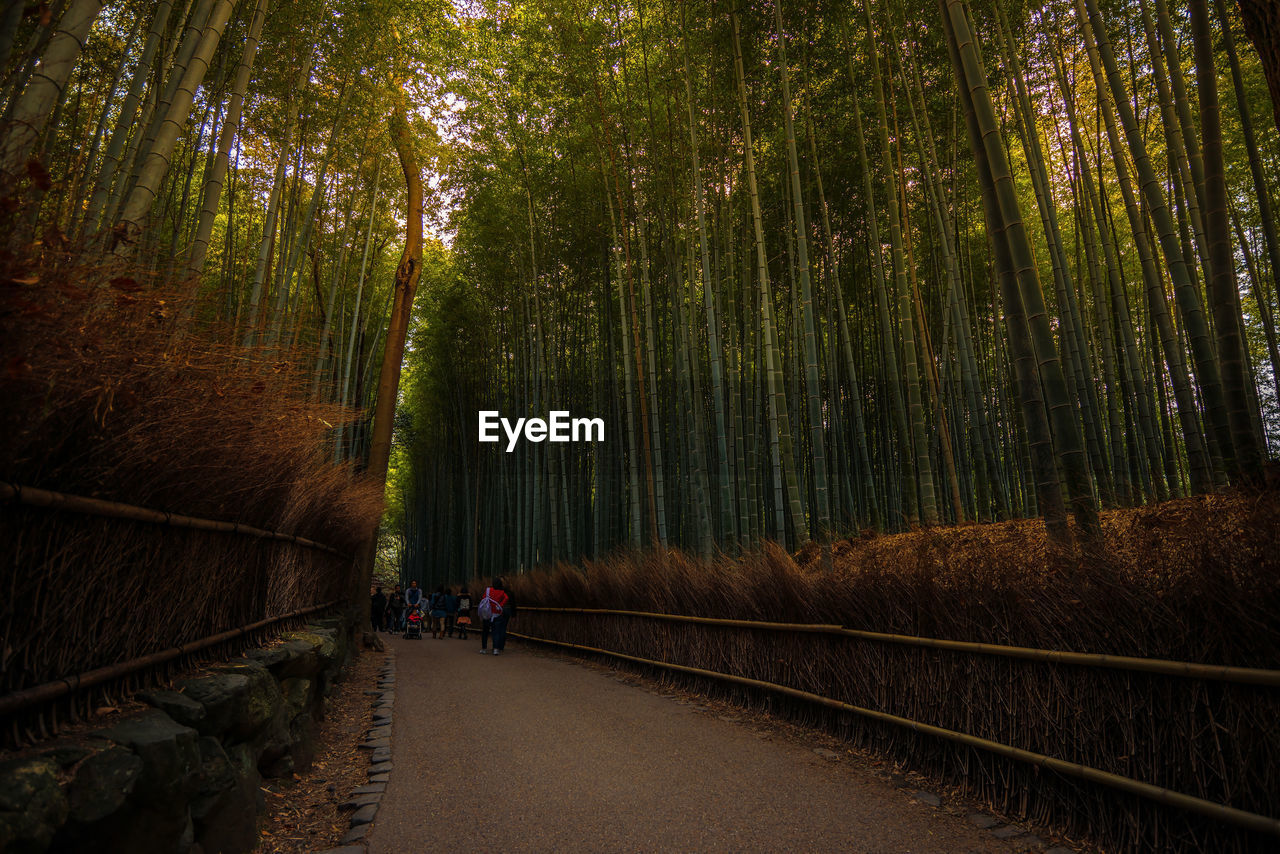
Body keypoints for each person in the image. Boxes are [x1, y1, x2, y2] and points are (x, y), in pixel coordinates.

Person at [478, 578, 510, 655]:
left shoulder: (488, 590)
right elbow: (506, 598)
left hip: (487, 614)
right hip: (497, 614)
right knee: (496, 632)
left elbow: (483, 598)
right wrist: (501, 605)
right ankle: (496, 649)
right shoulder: (502, 592)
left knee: (485, 631)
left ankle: (484, 649)